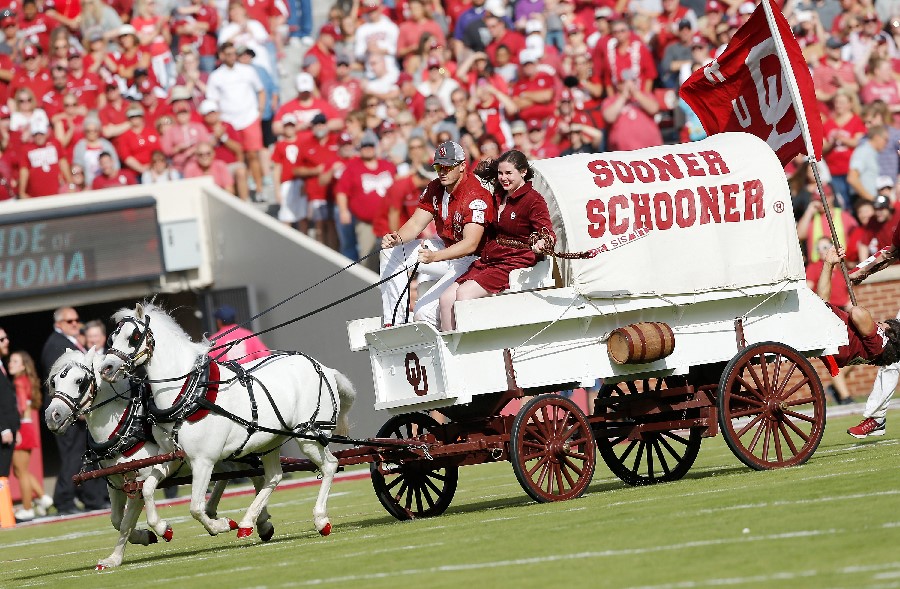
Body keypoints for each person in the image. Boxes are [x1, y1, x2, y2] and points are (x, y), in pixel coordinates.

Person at [379, 140, 493, 328]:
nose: (442, 171)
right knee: (390, 253)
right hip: (445, 250)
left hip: (471, 259)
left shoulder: (475, 194)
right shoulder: (435, 188)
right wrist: (396, 238)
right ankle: (394, 322)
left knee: (423, 313)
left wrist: (434, 256)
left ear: (463, 166)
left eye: (448, 166)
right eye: (439, 166)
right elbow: (416, 224)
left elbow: (471, 244)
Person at [439, 150, 554, 331]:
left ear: (523, 172)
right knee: (446, 300)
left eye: (509, 173)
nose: (503, 178)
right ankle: (451, 349)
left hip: (514, 260)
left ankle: (470, 346)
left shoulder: (533, 200)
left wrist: (543, 242)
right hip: (492, 259)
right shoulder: (498, 195)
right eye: (500, 173)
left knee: (463, 294)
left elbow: (546, 231)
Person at [40, 307, 109, 515]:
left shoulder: (68, 342)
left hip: (75, 409)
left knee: (83, 456)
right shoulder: (56, 344)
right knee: (72, 457)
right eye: (70, 321)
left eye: (77, 320)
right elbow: (60, 382)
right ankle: (63, 501)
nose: (75, 324)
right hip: (64, 411)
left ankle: (92, 499)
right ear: (59, 323)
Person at [817, 246, 900, 370]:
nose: (878, 323)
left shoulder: (879, 343)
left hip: (829, 334)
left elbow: (857, 313)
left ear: (890, 333)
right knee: (821, 304)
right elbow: (822, 304)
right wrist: (829, 264)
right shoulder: (870, 353)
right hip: (827, 334)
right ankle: (829, 262)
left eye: (882, 323)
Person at [9, 350, 51, 521]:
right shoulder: (26, 381)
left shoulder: (19, 382)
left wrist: (15, 428)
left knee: (22, 471)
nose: (11, 363)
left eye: (15, 361)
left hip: (20, 427)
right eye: (11, 360)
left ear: (23, 366)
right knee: (21, 471)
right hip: (27, 427)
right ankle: (43, 498)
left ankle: (27, 508)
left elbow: (19, 407)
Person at [0, 327, 20, 483]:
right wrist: (4, 428)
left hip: (9, 429)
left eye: (5, 338)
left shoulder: (2, 365)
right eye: (1, 340)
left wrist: (15, 428)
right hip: (3, 431)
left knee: (4, 474)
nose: (7, 342)